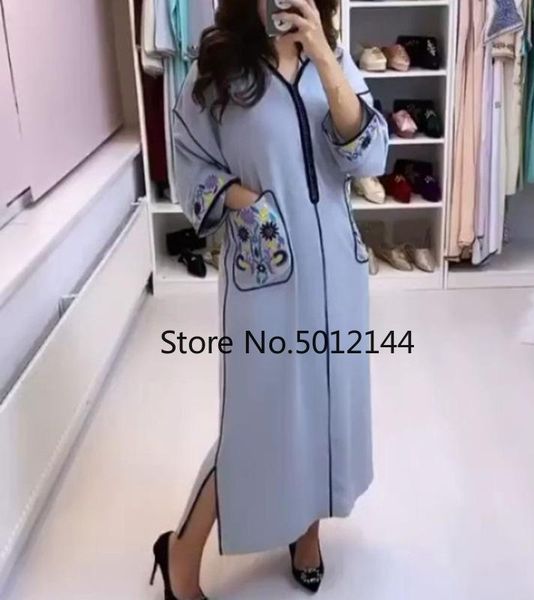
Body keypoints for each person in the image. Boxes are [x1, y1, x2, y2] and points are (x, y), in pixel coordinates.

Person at [150, 0, 389, 598]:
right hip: (267, 277)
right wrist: (248, 203)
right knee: (254, 423)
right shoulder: (219, 70)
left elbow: (370, 156)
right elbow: (188, 166)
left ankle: (306, 534)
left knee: (324, 406)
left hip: (338, 276)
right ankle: (180, 552)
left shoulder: (333, 60)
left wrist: (326, 61)